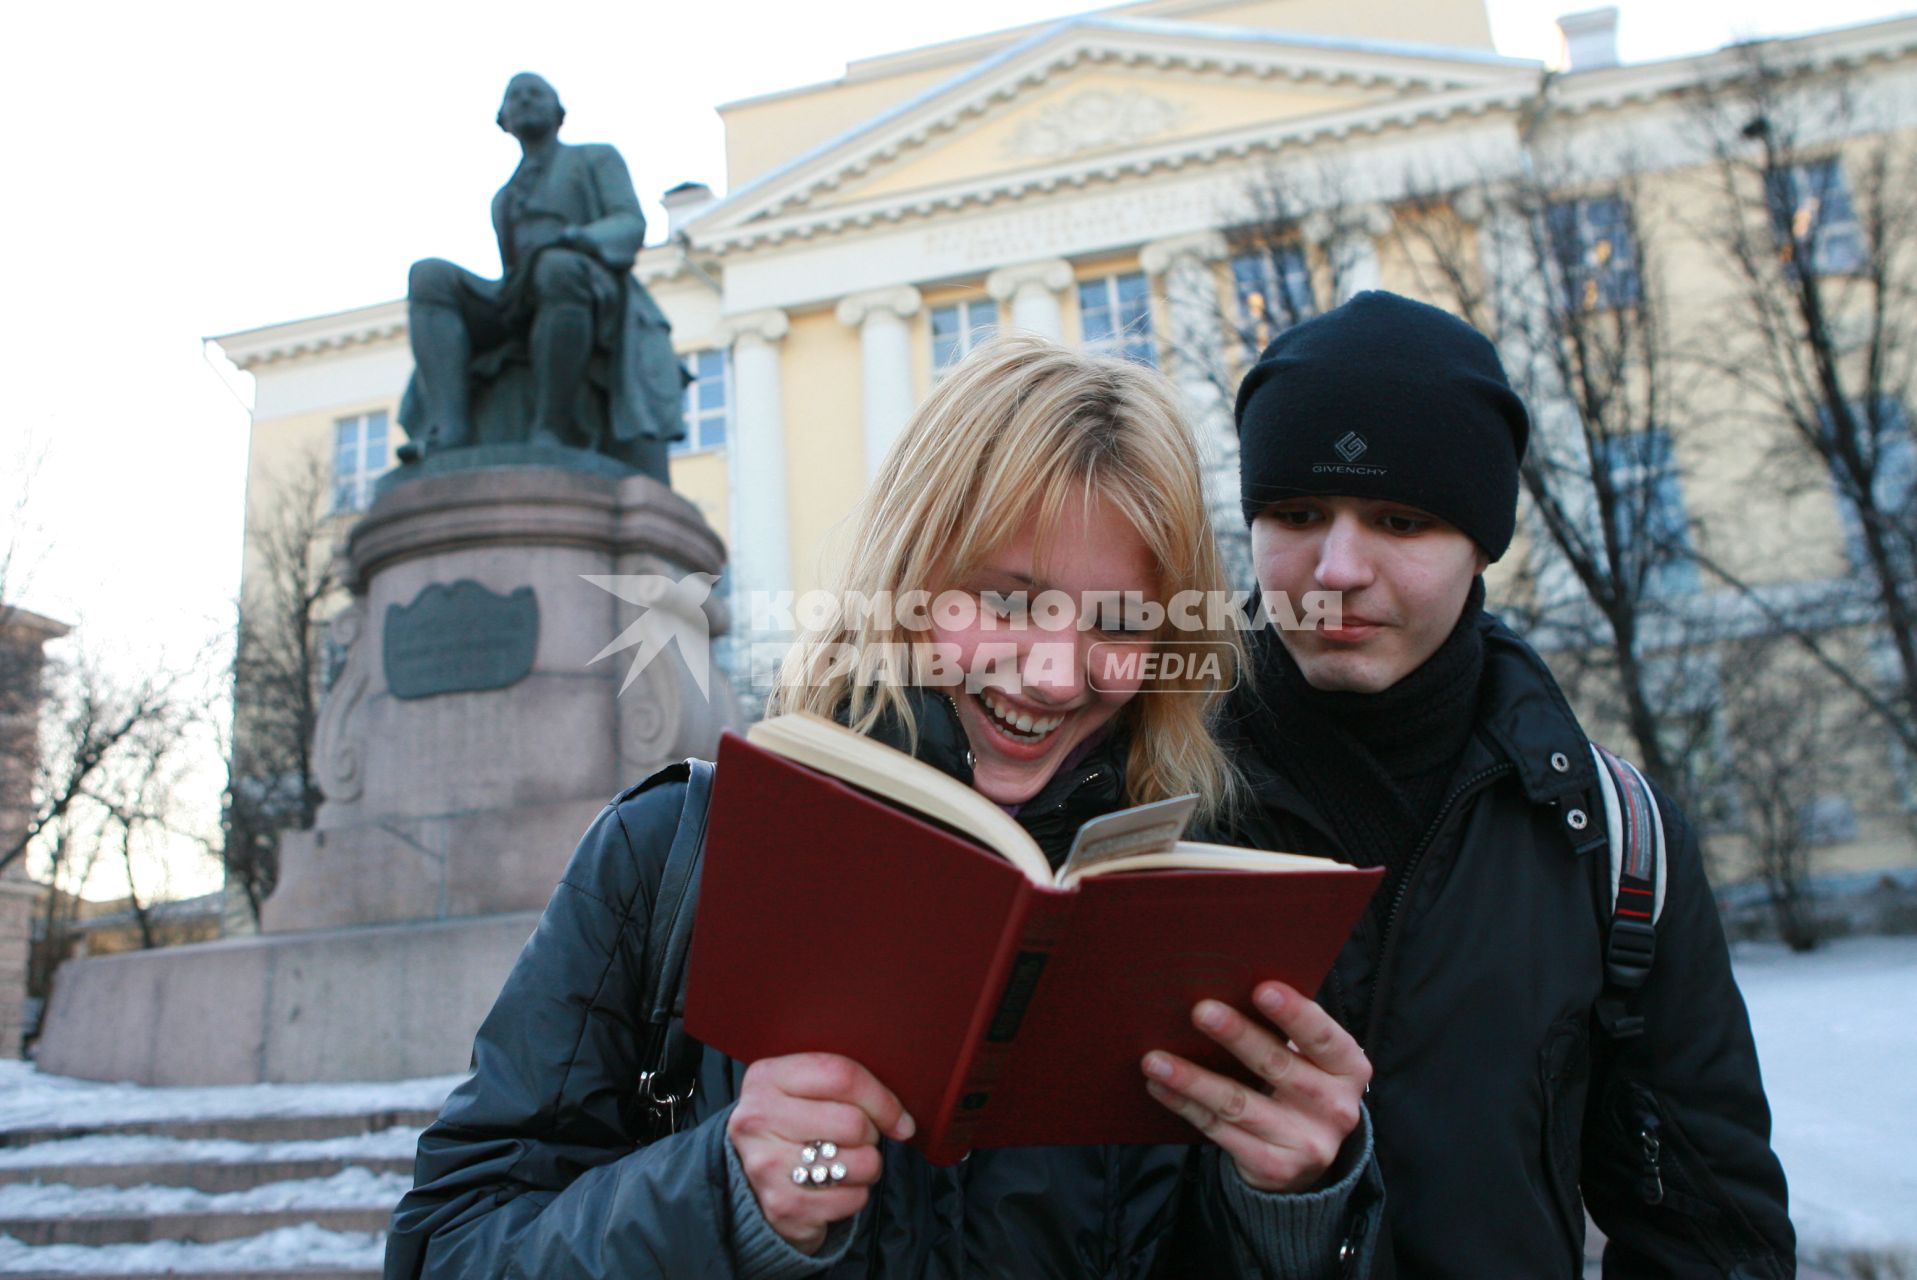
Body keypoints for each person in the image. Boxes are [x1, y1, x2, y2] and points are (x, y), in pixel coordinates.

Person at [385, 336, 1383, 1278]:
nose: (1050, 672)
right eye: (1007, 597)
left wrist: (1293, 1197)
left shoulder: (1211, 891)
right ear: (910, 579)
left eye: (1118, 619)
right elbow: (449, 1245)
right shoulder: (669, 854)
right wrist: (723, 1194)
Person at [1222, 291, 1795, 1276]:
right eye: (1298, 512)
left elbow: (1713, 1233)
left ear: (1483, 539)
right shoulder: (1140, 798)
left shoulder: (1618, 842)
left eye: (1400, 518)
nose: (1339, 565)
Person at [400, 72, 686, 482]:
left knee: (556, 268)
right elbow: (511, 270)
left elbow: (629, 224)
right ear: (503, 118)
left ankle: (553, 426)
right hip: (518, 293)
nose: (526, 101)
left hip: (589, 284)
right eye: (515, 97)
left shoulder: (595, 157)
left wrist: (574, 238)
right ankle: (450, 427)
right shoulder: (504, 197)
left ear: (559, 112)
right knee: (427, 276)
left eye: (536, 93)